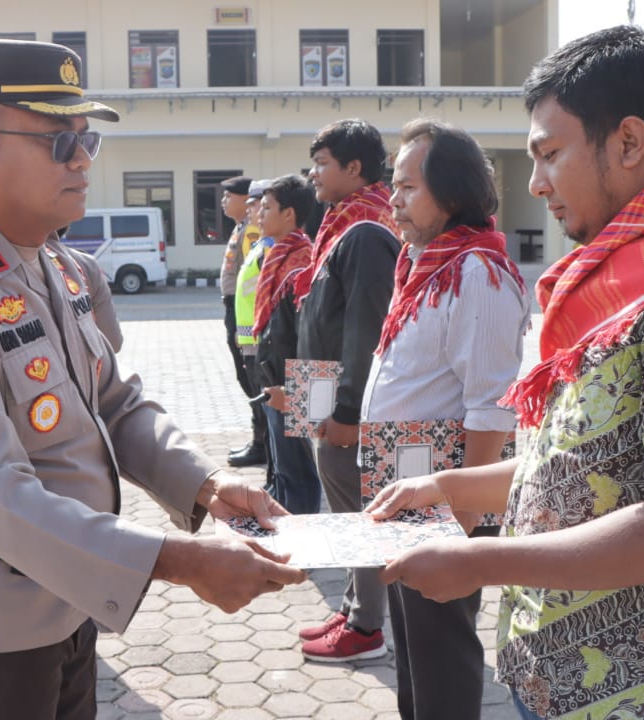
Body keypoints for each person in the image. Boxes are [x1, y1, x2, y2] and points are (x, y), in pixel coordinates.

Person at [367, 26, 644, 720]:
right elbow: (580, 466)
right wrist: (446, 485)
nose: (535, 183)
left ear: (629, 143)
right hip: (563, 684)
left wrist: (479, 563)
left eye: (549, 154)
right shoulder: (626, 276)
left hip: (642, 693)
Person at [0, 39, 305, 720]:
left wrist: (207, 485)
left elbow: (116, 402)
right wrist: (183, 562)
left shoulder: (68, 270)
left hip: (69, 609)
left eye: (86, 140)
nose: (81, 159)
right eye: (57, 141)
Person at [369, 119, 528, 720]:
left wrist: (460, 526)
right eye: (395, 185)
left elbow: (491, 408)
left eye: (409, 187)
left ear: (454, 193)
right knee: (412, 645)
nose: (395, 200)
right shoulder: (426, 265)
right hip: (411, 487)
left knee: (441, 652)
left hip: (447, 499)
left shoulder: (476, 274)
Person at [291, 119, 401, 662]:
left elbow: (365, 326)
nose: (313, 175)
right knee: (344, 513)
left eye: (322, 164)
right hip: (322, 392)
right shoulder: (340, 227)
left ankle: (366, 629)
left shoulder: (367, 232)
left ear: (354, 169)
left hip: (343, 402)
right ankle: (355, 602)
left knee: (359, 515)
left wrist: (348, 410)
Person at [253, 174, 322, 515]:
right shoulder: (276, 253)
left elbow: (305, 330)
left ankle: (302, 540)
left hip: (289, 377)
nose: (259, 215)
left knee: (297, 468)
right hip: (271, 371)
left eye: (267, 208)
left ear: (289, 214)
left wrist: (295, 389)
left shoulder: (302, 259)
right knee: (282, 463)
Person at [217, 175, 268, 467]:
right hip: (239, 311)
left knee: (253, 379)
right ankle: (260, 439)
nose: (224, 202)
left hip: (248, 317)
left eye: (229, 197)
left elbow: (254, 278)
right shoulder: (243, 227)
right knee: (246, 376)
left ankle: (262, 441)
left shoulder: (252, 231)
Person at [233, 180, 274, 480]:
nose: (253, 211)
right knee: (259, 401)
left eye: (259, 204)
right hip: (249, 336)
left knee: (270, 409)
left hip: (263, 340)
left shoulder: (273, 248)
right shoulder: (261, 244)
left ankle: (274, 467)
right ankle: (271, 465)